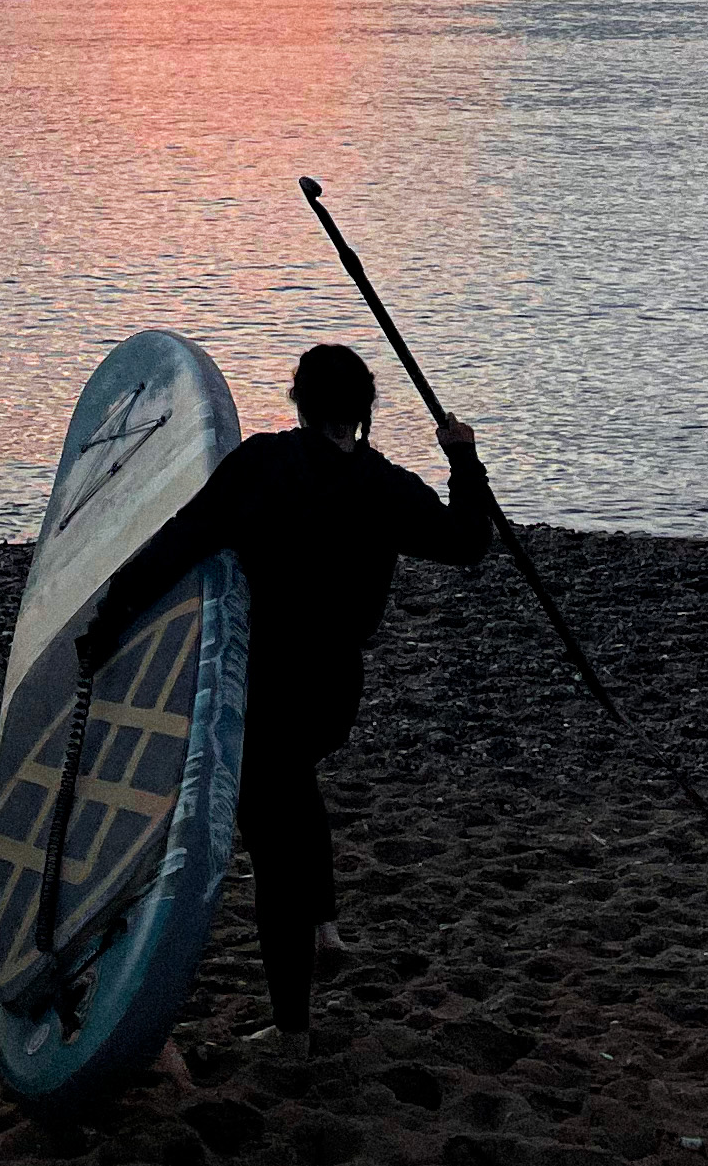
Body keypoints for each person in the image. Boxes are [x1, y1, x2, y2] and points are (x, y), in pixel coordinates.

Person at [75, 342, 491, 1054]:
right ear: (365, 410)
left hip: (261, 687)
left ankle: (293, 1031)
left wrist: (108, 623)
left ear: (299, 402)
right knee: (295, 793)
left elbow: (181, 541)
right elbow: (468, 543)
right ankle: (325, 925)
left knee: (274, 849)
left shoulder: (263, 466)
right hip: (332, 690)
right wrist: (462, 458)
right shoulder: (384, 487)